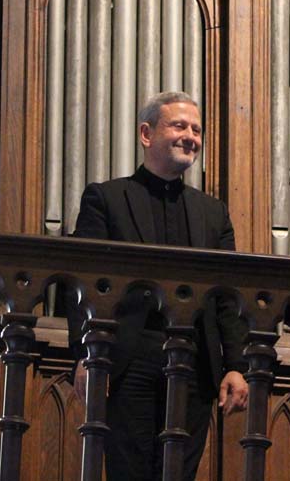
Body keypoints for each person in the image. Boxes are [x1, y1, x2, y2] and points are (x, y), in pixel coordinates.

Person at [67, 91, 248, 481]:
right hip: (128, 358)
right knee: (128, 472)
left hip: (195, 363)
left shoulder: (213, 212)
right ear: (146, 134)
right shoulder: (106, 198)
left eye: (196, 130)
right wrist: (85, 354)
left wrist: (236, 366)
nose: (191, 137)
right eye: (179, 126)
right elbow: (83, 281)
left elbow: (227, 297)